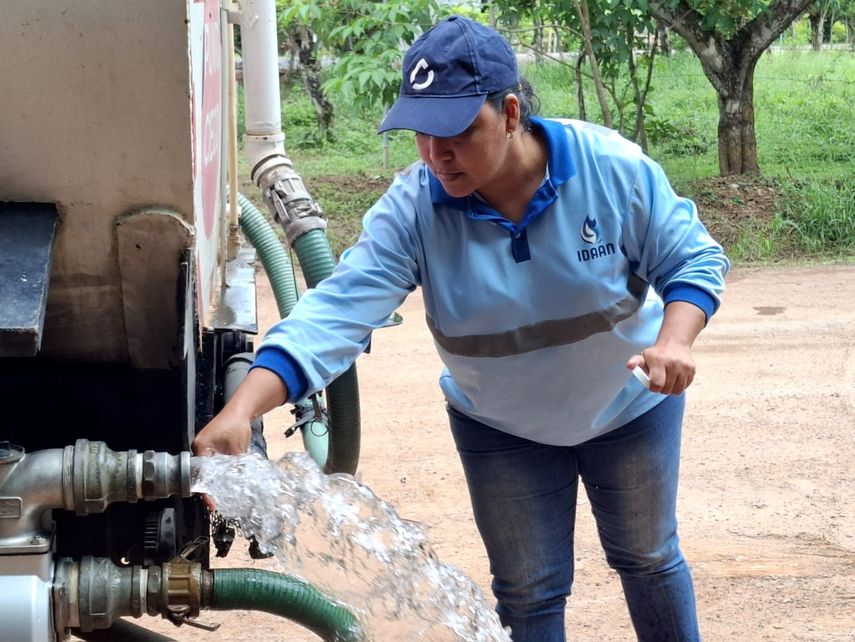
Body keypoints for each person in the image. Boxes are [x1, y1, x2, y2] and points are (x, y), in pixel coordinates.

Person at [193, 15, 729, 642]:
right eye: (422, 133)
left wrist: (674, 339)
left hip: (629, 410)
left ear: (508, 111)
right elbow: (333, 314)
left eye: (456, 132)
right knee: (530, 592)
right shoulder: (415, 209)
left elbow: (692, 256)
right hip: (501, 429)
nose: (436, 154)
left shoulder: (609, 168)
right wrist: (242, 410)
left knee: (648, 558)